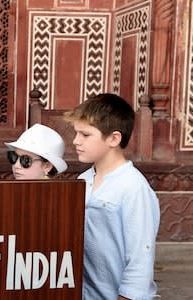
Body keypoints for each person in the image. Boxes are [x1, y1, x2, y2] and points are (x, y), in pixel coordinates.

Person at [64, 93, 160, 299]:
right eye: (76, 133)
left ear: (114, 138)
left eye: (85, 135)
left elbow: (140, 257)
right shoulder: (84, 179)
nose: (75, 141)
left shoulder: (133, 187)